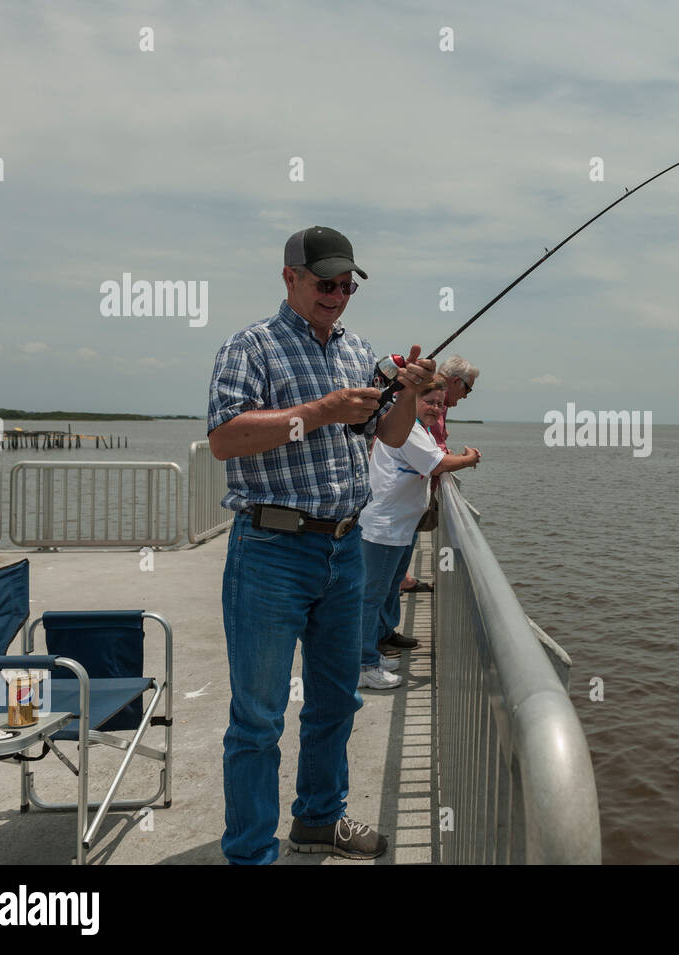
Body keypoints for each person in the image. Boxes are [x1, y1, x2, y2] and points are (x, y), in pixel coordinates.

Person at [207, 225, 434, 864]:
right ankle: (251, 852)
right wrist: (323, 409)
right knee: (258, 716)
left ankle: (317, 818)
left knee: (336, 699)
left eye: (345, 285)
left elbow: (390, 433)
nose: (336, 295)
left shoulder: (357, 350)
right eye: (324, 283)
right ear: (290, 279)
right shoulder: (250, 347)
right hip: (271, 551)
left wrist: (409, 389)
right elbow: (225, 437)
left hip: (344, 548)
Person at [360, 377, 481, 684]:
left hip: (398, 524)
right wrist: (469, 459)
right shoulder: (410, 430)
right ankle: (362, 666)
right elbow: (437, 463)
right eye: (430, 402)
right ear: (412, 399)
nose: (437, 409)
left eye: (441, 404)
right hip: (383, 526)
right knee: (370, 597)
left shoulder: (419, 428)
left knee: (383, 591)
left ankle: (372, 654)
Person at [398, 356, 479, 594]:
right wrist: (468, 459)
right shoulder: (431, 401)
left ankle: (400, 581)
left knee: (395, 559)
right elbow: (431, 457)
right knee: (388, 569)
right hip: (405, 497)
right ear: (456, 381)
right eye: (468, 388)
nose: (465, 395)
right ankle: (383, 623)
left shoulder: (430, 399)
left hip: (411, 495)